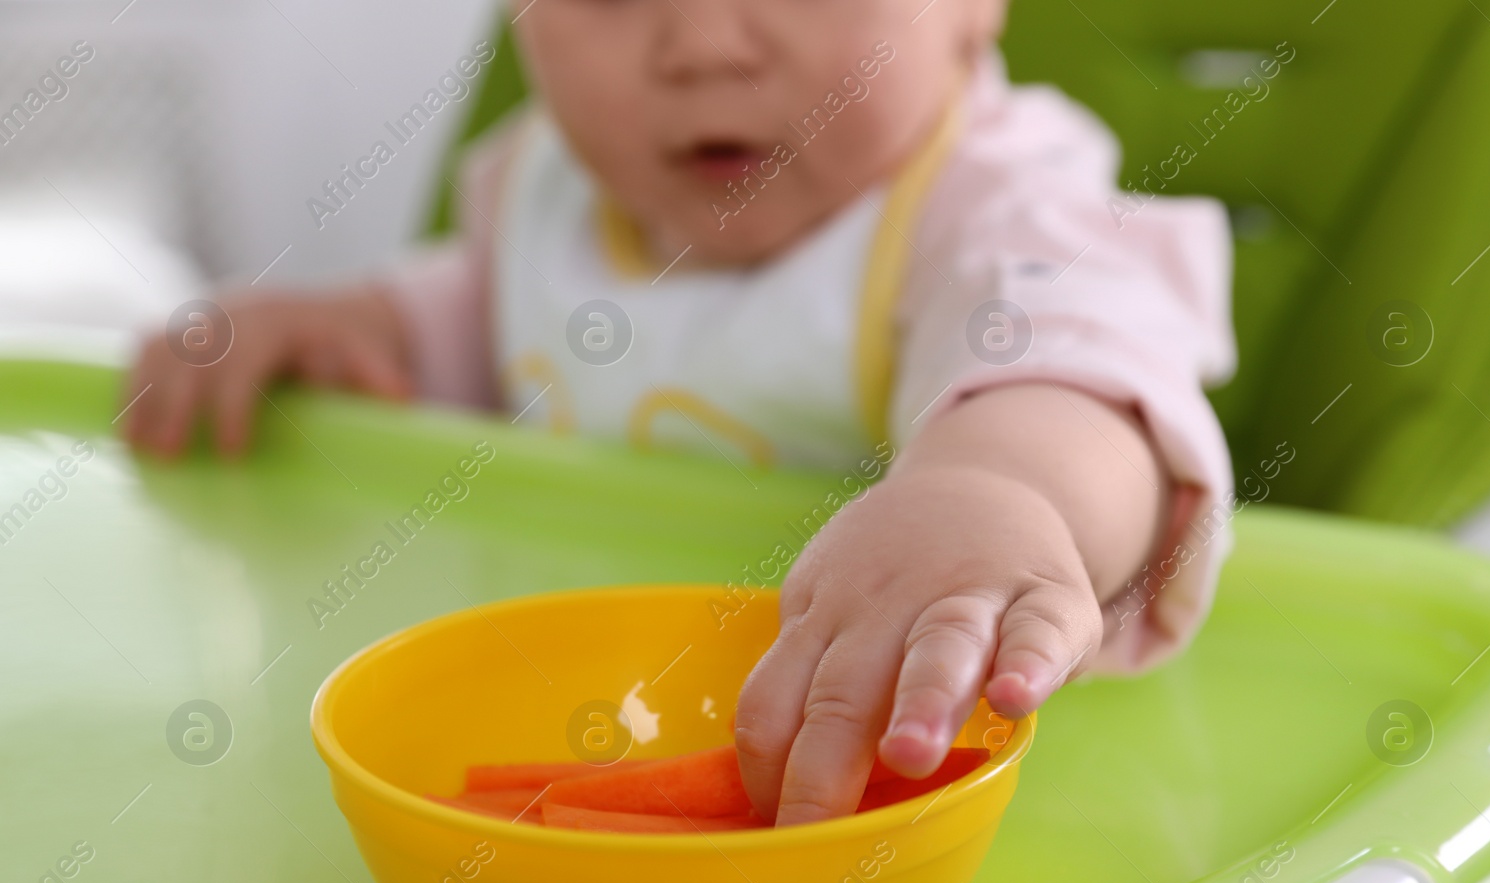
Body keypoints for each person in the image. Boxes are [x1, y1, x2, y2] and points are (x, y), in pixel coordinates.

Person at [121, 0, 1237, 826]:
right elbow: (494, 322)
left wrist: (1000, 493)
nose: (703, 41)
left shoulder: (999, 203)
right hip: (576, 771)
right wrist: (349, 331)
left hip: (895, 790)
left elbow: (1083, 366)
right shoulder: (547, 186)